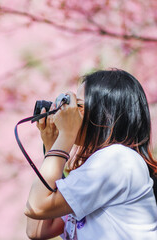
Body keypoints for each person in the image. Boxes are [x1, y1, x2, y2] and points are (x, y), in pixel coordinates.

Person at [24, 69, 157, 239]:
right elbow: (37, 230)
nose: (68, 113)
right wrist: (52, 147)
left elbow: (37, 207)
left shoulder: (118, 159)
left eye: (78, 105)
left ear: (104, 114)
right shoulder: (101, 165)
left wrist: (66, 136)